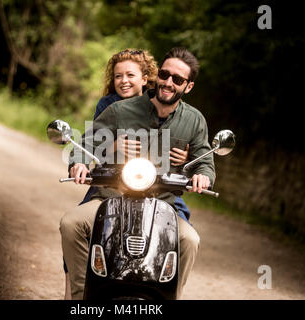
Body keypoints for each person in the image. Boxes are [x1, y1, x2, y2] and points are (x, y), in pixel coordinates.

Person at [61, 47, 215, 299]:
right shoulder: (120, 111)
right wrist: (78, 163)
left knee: (189, 240)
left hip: (164, 204)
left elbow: (205, 160)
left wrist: (203, 175)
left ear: (188, 87)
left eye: (177, 79)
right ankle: (80, 298)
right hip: (111, 196)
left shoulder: (194, 120)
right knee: (71, 224)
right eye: (164, 75)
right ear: (156, 76)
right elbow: (86, 142)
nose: (168, 82)